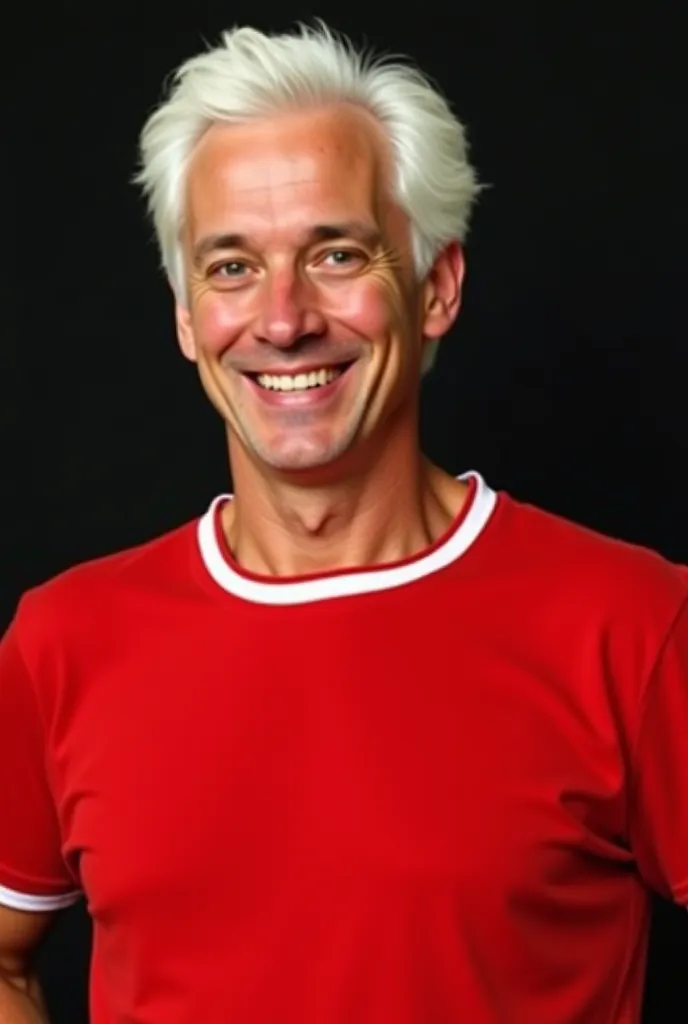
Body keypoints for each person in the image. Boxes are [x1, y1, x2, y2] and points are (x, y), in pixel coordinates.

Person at [1, 21, 687, 1024]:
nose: (282, 320)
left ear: (435, 286)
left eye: (335, 253)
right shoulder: (63, 643)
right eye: (231, 266)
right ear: (186, 314)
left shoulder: (631, 622)